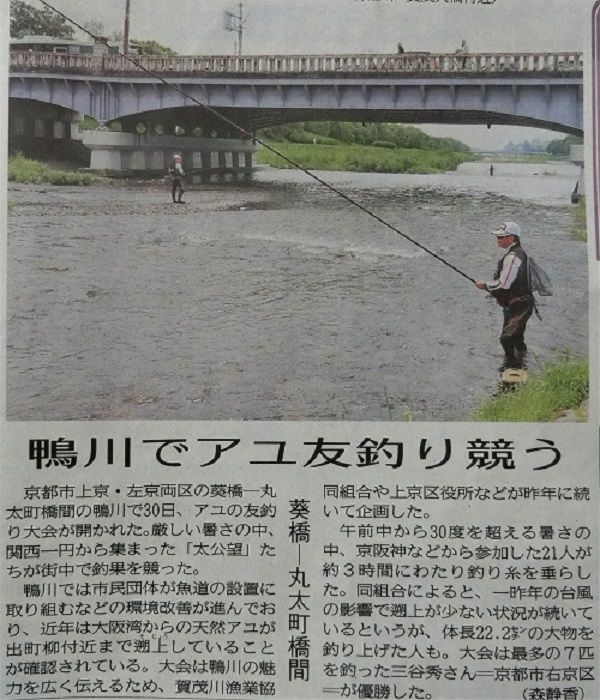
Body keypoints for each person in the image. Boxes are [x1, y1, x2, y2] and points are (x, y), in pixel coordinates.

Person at [475, 222, 534, 371]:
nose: (498, 239)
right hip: (522, 303)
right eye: (498, 236)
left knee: (506, 339)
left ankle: (513, 367)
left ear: (512, 238)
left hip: (519, 306)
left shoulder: (513, 257)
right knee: (517, 337)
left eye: (501, 236)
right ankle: (523, 362)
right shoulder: (516, 253)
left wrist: (486, 285)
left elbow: (504, 285)